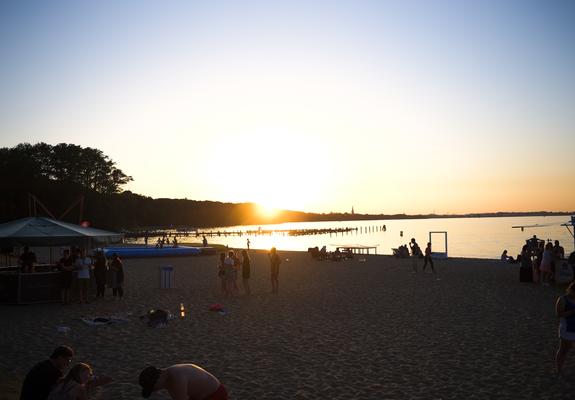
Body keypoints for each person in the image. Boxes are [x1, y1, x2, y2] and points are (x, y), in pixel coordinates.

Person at [139, 364, 227, 400]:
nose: (155, 390)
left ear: (157, 380)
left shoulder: (176, 378)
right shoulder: (170, 373)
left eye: (153, 388)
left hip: (215, 395)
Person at [47, 363, 112, 400]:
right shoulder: (79, 387)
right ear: (80, 374)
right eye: (88, 374)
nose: (89, 377)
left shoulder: (63, 381)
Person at [555, 281, 575, 375]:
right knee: (564, 349)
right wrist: (572, 312)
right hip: (567, 328)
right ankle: (559, 369)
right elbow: (559, 314)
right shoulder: (562, 299)